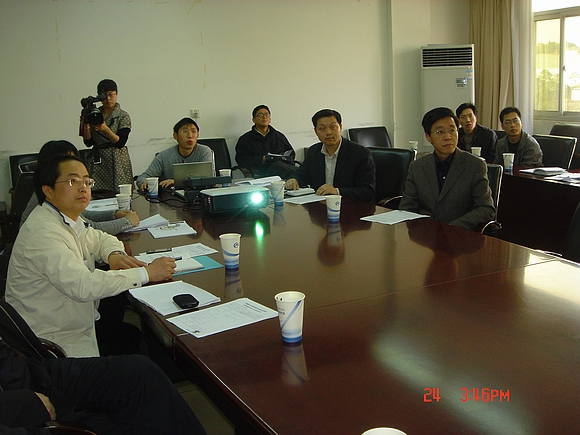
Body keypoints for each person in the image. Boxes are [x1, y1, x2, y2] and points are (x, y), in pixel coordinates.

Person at [5, 154, 176, 357]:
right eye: (73, 181)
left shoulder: (66, 219)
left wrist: (114, 255)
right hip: (52, 346)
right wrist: (146, 273)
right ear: (48, 190)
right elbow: (83, 286)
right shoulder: (42, 232)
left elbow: (101, 238)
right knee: (141, 365)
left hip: (74, 324)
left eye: (87, 181)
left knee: (132, 336)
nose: (83, 187)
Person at [0, 299, 207, 435]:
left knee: (140, 372)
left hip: (28, 372)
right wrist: (22, 403)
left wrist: (113, 253)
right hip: (15, 405)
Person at [399, 107, 495, 231]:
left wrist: (452, 227)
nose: (448, 136)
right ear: (428, 137)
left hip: (459, 235)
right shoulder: (417, 167)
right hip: (424, 235)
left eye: (452, 130)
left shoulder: (475, 165)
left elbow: (486, 209)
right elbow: (407, 208)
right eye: (440, 132)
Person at [20, 140, 139, 236]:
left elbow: (85, 216)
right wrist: (127, 222)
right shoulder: (47, 201)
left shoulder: (60, 199)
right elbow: (91, 228)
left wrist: (114, 214)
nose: (74, 164)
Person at [285, 109, 375, 203]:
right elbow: (301, 174)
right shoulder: (314, 151)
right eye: (322, 128)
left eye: (333, 127)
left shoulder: (360, 153)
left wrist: (337, 191)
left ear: (340, 127)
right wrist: (294, 180)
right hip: (320, 207)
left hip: (351, 206)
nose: (328, 132)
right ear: (315, 131)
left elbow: (367, 191)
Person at [82, 79, 134, 191]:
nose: (108, 99)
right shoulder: (95, 114)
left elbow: (120, 142)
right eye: (104, 96)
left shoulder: (122, 115)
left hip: (117, 159)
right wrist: (85, 124)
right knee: (97, 192)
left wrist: (106, 129)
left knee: (121, 192)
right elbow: (88, 142)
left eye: (111, 95)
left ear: (117, 94)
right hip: (99, 159)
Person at [136, 117, 213, 190]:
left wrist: (177, 183)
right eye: (184, 131)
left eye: (193, 132)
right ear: (175, 136)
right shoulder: (163, 156)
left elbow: (209, 179)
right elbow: (143, 177)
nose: (190, 136)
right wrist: (144, 182)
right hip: (171, 197)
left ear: (197, 136)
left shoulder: (204, 152)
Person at [235, 105, 297, 178]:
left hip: (282, 171)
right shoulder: (245, 139)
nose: (264, 117)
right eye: (260, 115)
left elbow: (291, 153)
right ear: (254, 120)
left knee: (279, 165)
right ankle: (303, 175)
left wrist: (281, 158)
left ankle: (303, 175)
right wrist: (262, 158)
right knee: (277, 165)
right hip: (260, 172)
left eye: (266, 114)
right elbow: (241, 159)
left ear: (270, 119)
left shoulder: (278, 136)